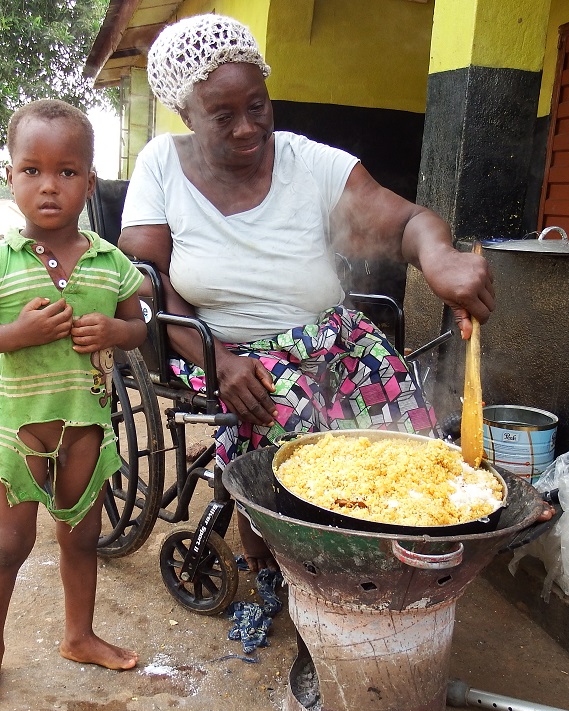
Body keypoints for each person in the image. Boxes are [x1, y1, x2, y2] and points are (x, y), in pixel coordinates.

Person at [119, 14, 545, 571]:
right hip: (220, 349)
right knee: (295, 429)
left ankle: (396, 543)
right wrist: (218, 361)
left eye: (258, 106)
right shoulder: (161, 165)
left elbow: (407, 223)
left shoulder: (309, 161)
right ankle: (284, 567)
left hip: (333, 335)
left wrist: (440, 258)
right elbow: (144, 281)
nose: (248, 128)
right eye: (223, 116)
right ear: (186, 113)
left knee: (405, 435)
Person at [0, 99, 146, 699]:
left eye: (67, 171)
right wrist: (16, 334)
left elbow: (141, 327)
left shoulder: (112, 264)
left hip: (86, 429)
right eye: (31, 170)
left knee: (80, 540)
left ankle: (78, 635)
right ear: (10, 176)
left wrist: (114, 332)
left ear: (89, 179)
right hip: (22, 433)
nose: (49, 186)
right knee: (8, 546)